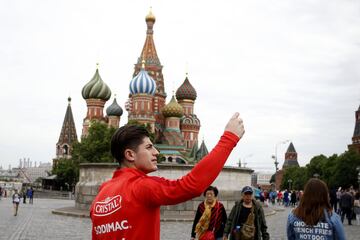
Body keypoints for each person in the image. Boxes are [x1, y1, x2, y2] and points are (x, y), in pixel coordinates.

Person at [90, 113, 245, 240]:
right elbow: (191, 185)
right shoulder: (141, 186)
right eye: (149, 147)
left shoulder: (101, 195)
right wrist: (229, 138)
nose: (156, 152)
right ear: (130, 154)